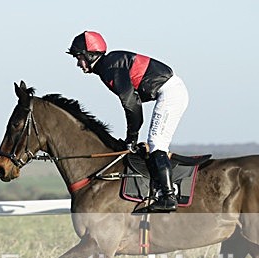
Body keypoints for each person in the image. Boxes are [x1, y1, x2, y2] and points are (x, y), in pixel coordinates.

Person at [67, 31, 189, 212]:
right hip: (169, 91)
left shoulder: (110, 68)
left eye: (79, 57)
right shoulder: (109, 65)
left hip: (170, 93)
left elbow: (132, 104)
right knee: (153, 143)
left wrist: (131, 137)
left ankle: (168, 197)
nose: (78, 63)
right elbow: (134, 104)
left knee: (156, 143)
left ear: (90, 54)